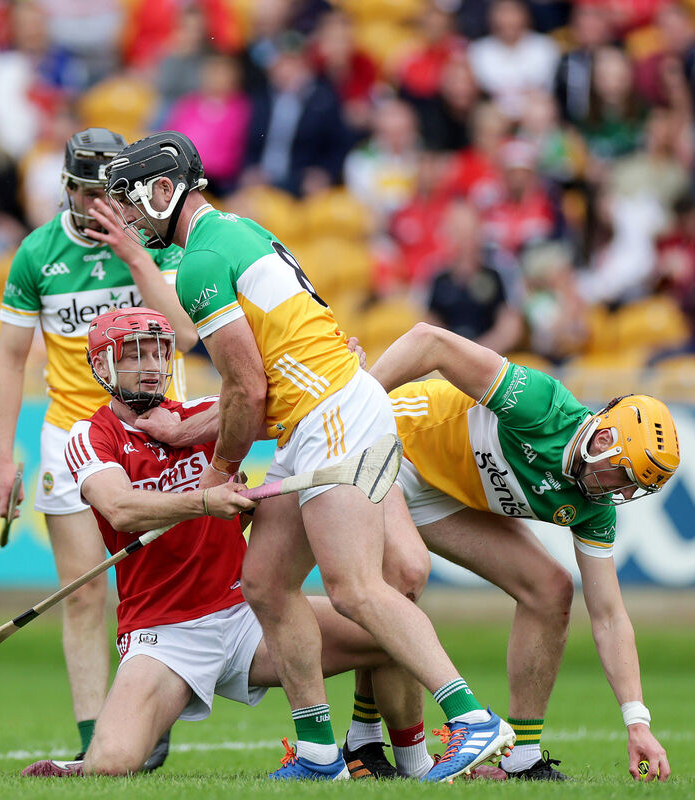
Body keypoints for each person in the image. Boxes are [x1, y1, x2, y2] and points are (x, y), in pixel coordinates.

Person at [104, 131, 513, 782]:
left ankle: (471, 719)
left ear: (162, 190)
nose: (127, 215)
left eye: (131, 201)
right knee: (265, 581)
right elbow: (262, 388)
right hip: (316, 417)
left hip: (335, 418)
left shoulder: (209, 259)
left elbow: (246, 386)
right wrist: (208, 445)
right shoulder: (232, 235)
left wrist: (217, 475)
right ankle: (322, 753)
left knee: (356, 589)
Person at [21, 308, 420, 779]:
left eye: (159, 352)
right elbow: (120, 508)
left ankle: (408, 763)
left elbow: (295, 404)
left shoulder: (203, 416)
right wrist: (205, 500)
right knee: (112, 763)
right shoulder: (91, 435)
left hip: (247, 615)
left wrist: (342, 377)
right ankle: (79, 765)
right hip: (164, 632)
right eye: (134, 354)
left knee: (395, 632)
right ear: (103, 365)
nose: (151, 365)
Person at [355, 322, 678, 782]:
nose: (621, 492)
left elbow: (609, 615)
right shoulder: (542, 406)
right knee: (405, 575)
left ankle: (522, 758)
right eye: (623, 477)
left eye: (634, 488)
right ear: (604, 440)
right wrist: (358, 402)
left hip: (443, 492)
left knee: (551, 589)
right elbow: (429, 340)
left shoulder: (595, 508)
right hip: (394, 444)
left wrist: (637, 722)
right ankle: (364, 740)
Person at [0, 127, 198, 767]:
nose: (93, 205)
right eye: (82, 192)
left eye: (105, 193)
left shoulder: (151, 242)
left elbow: (186, 335)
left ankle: (147, 708)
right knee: (84, 592)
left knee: (164, 581)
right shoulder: (36, 254)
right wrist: (3, 455)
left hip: (155, 432)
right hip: (71, 437)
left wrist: (136, 255)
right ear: (65, 187)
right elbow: (8, 360)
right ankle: (97, 739)